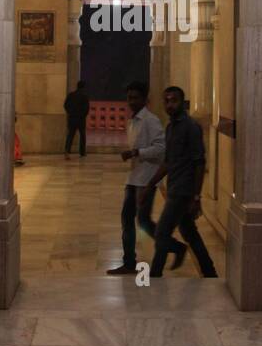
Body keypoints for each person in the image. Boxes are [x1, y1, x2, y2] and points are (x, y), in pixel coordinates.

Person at [106, 81, 186, 275]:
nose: (131, 101)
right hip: (133, 178)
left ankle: (175, 247)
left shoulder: (151, 120)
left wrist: (136, 152)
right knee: (127, 220)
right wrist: (134, 154)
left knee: (143, 221)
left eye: (135, 97)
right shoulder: (132, 121)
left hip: (147, 180)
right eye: (129, 97)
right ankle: (129, 262)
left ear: (144, 99)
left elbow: (160, 149)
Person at [141, 85, 217, 278]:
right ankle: (210, 273)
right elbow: (168, 161)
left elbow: (199, 162)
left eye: (173, 100)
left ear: (182, 102)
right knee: (190, 233)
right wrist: (151, 184)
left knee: (161, 234)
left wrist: (197, 197)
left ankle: (155, 276)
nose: (169, 104)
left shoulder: (191, 127)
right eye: (166, 101)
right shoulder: (170, 127)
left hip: (184, 191)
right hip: (174, 186)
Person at [63, 79, 89, 158]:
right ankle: (82, 152)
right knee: (82, 135)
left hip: (72, 118)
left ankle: (67, 151)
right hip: (81, 119)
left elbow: (65, 105)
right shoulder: (84, 96)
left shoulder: (71, 95)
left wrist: (70, 112)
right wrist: (83, 115)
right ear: (83, 87)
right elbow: (86, 108)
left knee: (70, 135)